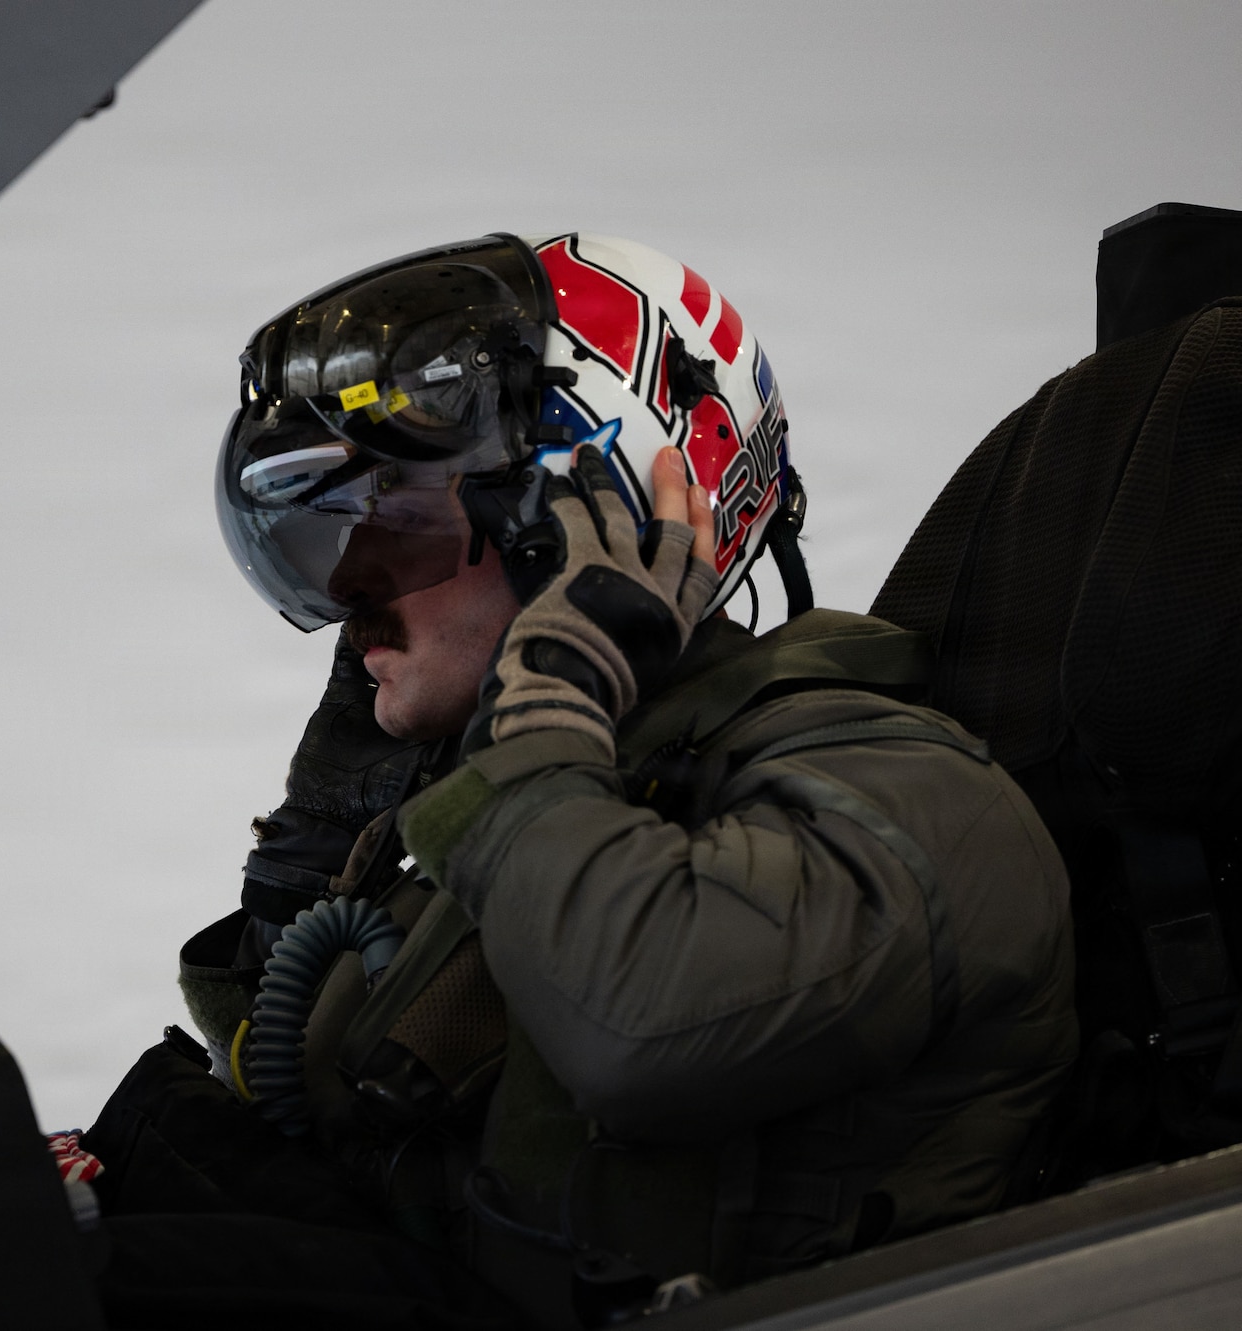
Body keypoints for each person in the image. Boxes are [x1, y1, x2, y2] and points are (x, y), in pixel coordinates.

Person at [82, 233, 1077, 1328]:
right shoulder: (559, 786)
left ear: (595, 526)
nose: (351, 592)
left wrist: (545, 696)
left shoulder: (907, 792)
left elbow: (640, 1025)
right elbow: (324, 1129)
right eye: (331, 541)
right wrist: (310, 859)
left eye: (397, 530)